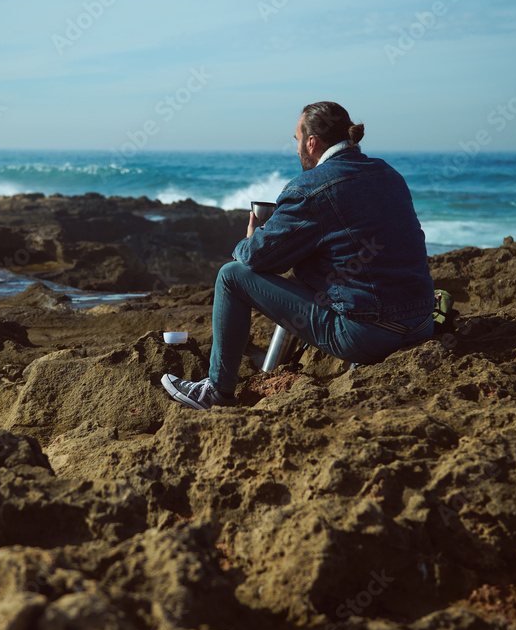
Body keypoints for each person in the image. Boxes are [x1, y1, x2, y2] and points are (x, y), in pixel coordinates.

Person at [161, 101, 434, 410]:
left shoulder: (309, 188)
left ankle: (217, 392)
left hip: (366, 336)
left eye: (296, 141)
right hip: (422, 323)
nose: (297, 150)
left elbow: (255, 260)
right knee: (316, 268)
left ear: (311, 142)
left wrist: (252, 239)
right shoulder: (389, 173)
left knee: (230, 276)